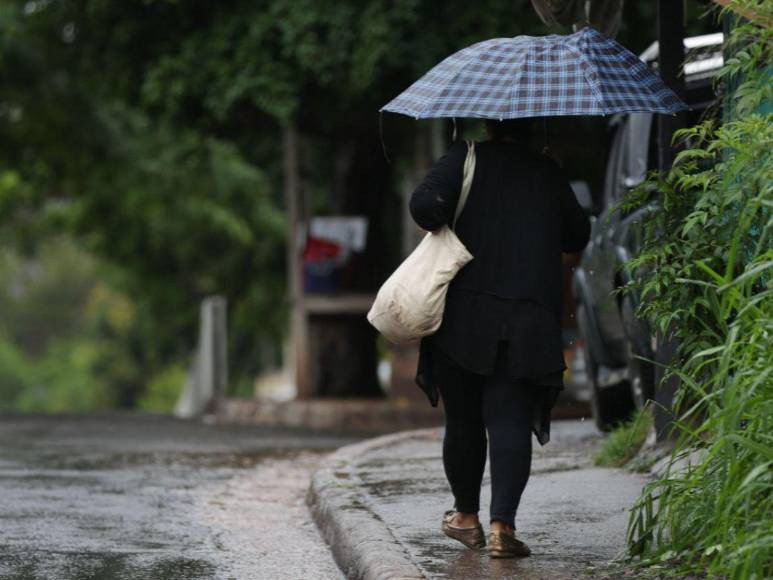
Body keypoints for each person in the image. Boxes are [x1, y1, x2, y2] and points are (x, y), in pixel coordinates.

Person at [408, 117, 591, 558]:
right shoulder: (547, 171)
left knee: (465, 420)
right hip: (527, 318)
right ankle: (501, 529)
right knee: (510, 419)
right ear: (537, 126)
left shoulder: (464, 157)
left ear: (491, 123)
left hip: (464, 317)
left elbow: (424, 206)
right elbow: (577, 234)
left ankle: (466, 517)